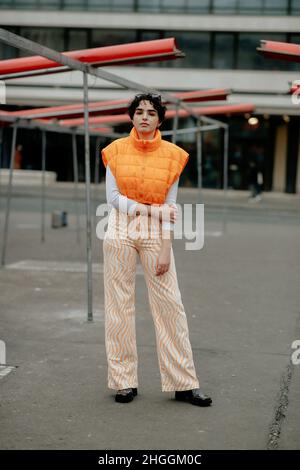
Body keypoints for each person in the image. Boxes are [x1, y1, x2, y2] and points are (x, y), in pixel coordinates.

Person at [101, 93, 212, 407]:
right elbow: (112, 198)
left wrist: (166, 248)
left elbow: (171, 206)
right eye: (139, 112)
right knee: (118, 305)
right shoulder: (114, 151)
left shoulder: (173, 155)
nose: (145, 117)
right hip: (121, 226)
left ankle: (183, 383)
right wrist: (151, 211)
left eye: (151, 112)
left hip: (156, 231)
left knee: (170, 305)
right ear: (132, 117)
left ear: (161, 119)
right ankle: (123, 382)